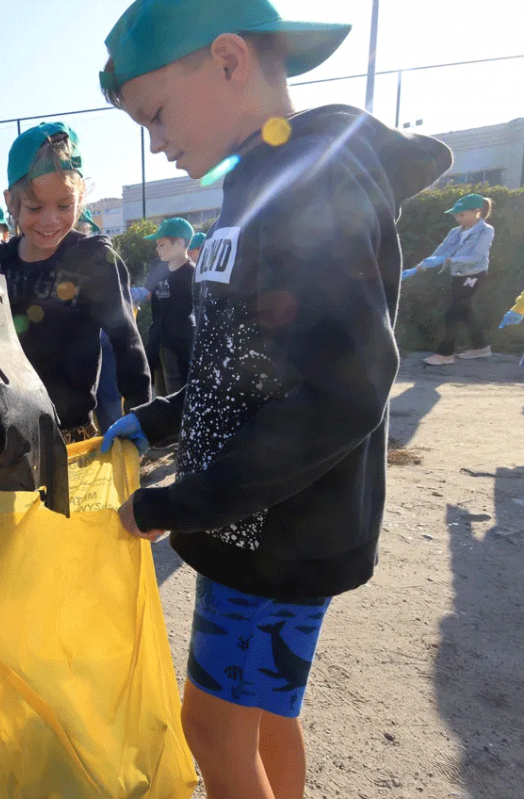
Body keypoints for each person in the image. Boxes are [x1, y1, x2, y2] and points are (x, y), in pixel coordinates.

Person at [97, 2, 452, 798]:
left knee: (214, 729)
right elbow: (241, 363)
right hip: (268, 523)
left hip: (273, 534)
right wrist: (155, 419)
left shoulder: (310, 181)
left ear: (227, 61)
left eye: (155, 113)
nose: (156, 140)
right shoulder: (258, 180)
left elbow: (344, 391)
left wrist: (177, 503)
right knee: (262, 715)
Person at [0, 121, 150, 436]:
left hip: (72, 431)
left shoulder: (93, 258)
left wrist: (141, 412)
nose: (50, 221)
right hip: (10, 434)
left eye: (65, 205)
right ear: (11, 202)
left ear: (81, 196)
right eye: (35, 207)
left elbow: (126, 340)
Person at [403, 193, 496, 365]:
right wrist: (418, 268)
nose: (457, 218)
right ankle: (481, 348)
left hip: (474, 275)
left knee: (453, 312)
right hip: (457, 275)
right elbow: (440, 252)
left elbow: (477, 257)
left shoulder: (486, 231)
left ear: (476, 211)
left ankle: (445, 354)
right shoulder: (455, 232)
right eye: (455, 215)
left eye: (461, 214)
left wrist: (449, 260)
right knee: (465, 312)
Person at [143, 217, 196, 396]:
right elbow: (148, 293)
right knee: (158, 395)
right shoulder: (158, 267)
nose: (157, 249)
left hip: (180, 345)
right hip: (157, 341)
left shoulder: (193, 274)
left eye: (162, 244)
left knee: (177, 395)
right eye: (157, 245)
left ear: (181, 243)